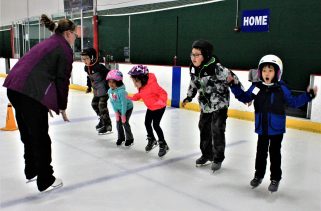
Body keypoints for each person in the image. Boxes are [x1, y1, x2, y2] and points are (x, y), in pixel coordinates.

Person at [2, 14, 77, 192]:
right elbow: (61, 80)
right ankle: (45, 179)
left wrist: (44, 102)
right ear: (67, 33)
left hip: (15, 87)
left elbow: (39, 71)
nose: (76, 37)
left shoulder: (50, 42)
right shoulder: (64, 49)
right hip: (29, 92)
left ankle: (31, 170)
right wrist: (62, 106)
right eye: (75, 33)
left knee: (29, 133)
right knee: (40, 136)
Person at [229, 54, 318, 192]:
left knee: (275, 153)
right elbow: (245, 97)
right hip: (262, 127)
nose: (267, 73)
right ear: (260, 72)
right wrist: (233, 86)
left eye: (270, 70)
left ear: (277, 72)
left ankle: (275, 178)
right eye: (264, 70)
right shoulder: (256, 87)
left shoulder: (281, 88)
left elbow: (293, 102)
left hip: (276, 128)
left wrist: (308, 95)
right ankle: (258, 175)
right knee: (260, 152)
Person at [182, 40, 241, 172]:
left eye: (197, 55)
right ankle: (206, 154)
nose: (193, 57)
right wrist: (189, 96)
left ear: (206, 55)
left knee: (217, 129)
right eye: (192, 54)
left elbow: (234, 79)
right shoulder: (194, 68)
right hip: (206, 105)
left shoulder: (217, 68)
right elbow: (193, 83)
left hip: (220, 104)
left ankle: (218, 157)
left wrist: (243, 96)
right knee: (203, 127)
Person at [127, 65, 169, 157]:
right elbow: (140, 94)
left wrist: (160, 101)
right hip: (151, 107)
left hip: (159, 107)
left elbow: (163, 93)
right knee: (147, 123)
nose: (135, 84)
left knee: (156, 125)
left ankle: (163, 145)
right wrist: (131, 97)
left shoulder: (152, 85)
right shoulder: (142, 86)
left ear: (143, 79)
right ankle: (152, 139)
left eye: (136, 81)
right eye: (134, 81)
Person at [81, 48, 112, 135]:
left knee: (102, 106)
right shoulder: (86, 68)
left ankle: (108, 125)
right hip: (96, 90)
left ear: (92, 57)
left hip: (104, 90)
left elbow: (109, 74)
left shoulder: (99, 67)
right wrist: (89, 87)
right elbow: (89, 77)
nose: (84, 61)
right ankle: (102, 119)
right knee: (94, 104)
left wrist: (110, 86)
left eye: (86, 58)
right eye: (83, 59)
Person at [106, 69, 134, 146]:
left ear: (118, 82)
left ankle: (130, 138)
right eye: (109, 82)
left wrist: (123, 114)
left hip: (127, 108)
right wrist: (116, 112)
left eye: (113, 82)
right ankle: (121, 138)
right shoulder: (109, 91)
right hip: (118, 109)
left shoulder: (122, 92)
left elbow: (124, 103)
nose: (111, 84)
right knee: (118, 124)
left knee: (124, 123)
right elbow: (112, 102)